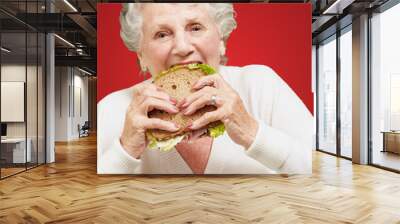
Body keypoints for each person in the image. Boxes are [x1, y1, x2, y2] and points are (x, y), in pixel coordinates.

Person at [97, 3, 313, 174]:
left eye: (195, 28)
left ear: (221, 40)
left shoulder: (261, 84)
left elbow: (321, 172)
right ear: (140, 54)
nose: (182, 47)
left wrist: (251, 131)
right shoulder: (111, 108)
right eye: (162, 34)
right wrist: (125, 150)